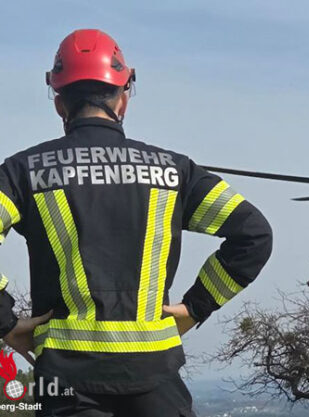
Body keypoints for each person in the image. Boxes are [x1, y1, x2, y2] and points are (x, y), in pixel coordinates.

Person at [0, 29, 272, 416]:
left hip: (63, 380)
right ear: (123, 98)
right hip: (156, 378)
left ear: (59, 103)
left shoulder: (23, 171)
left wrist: (6, 321)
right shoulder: (174, 171)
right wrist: (196, 306)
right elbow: (254, 235)